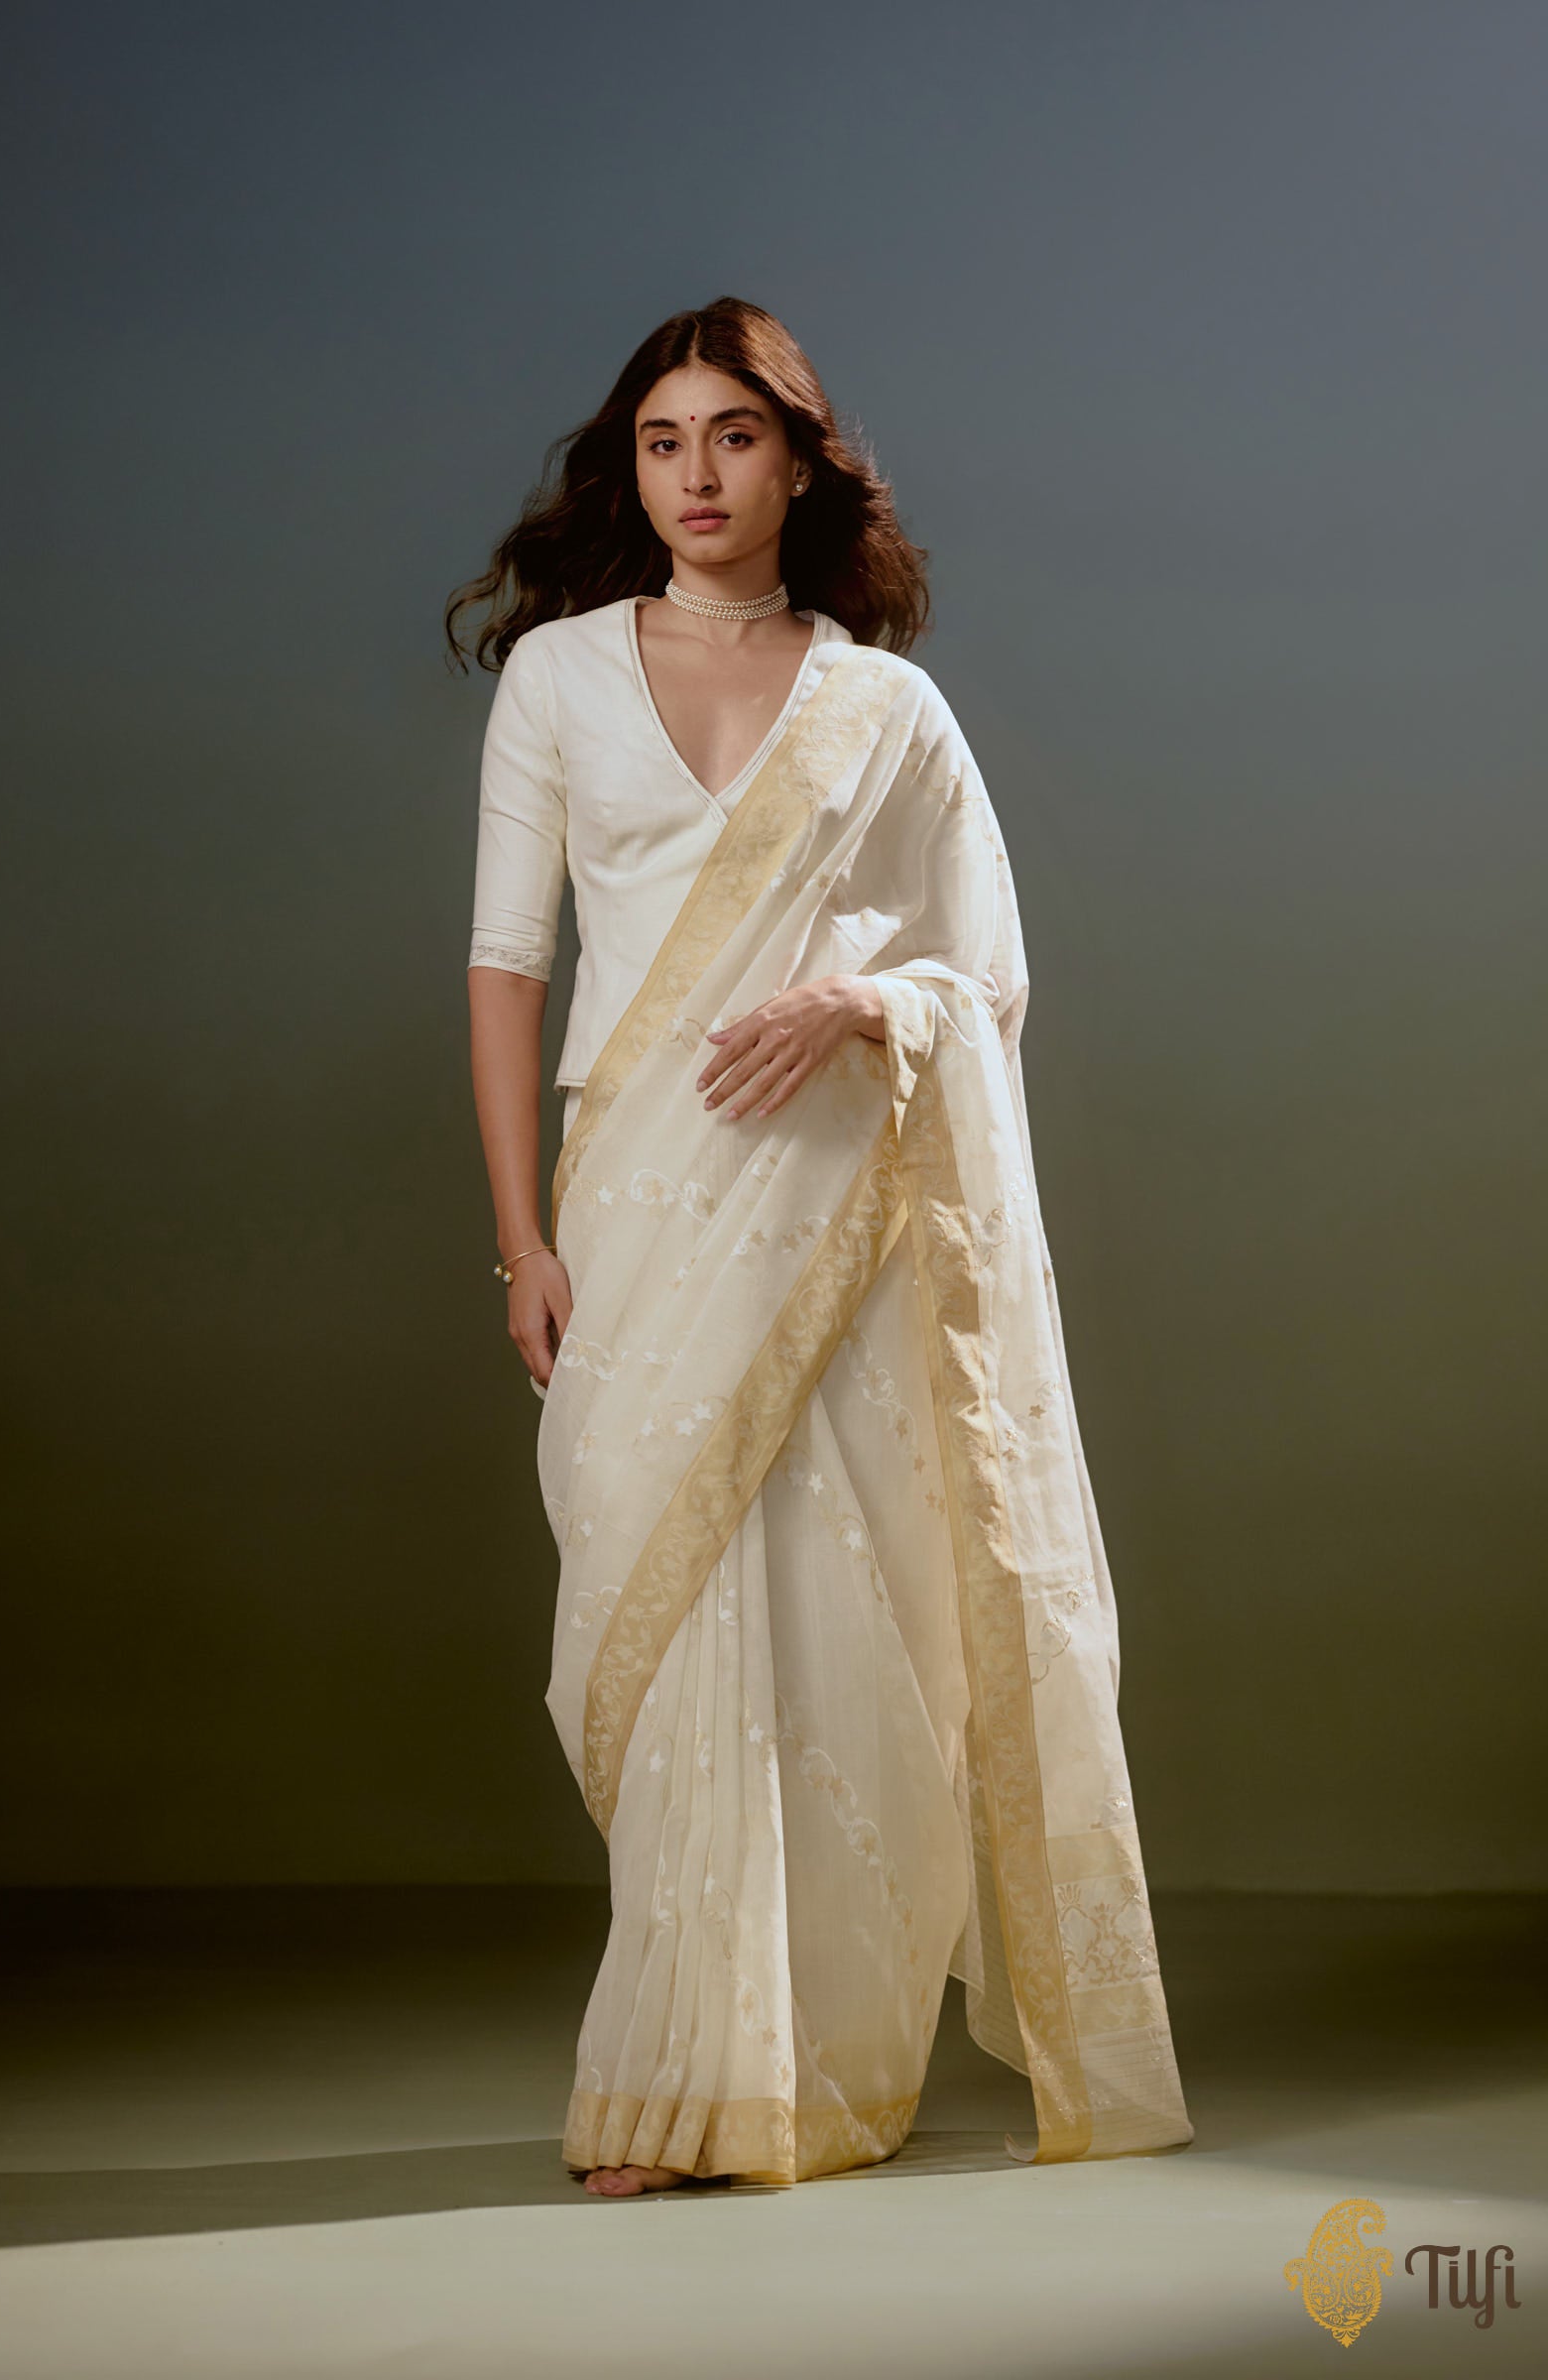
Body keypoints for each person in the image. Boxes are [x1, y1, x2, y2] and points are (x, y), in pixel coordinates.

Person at [444, 297, 1194, 2199]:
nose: (695, 476)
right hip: (638, 1206)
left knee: (839, 1622)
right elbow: (508, 966)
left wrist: (866, 1004)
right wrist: (521, 1238)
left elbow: (987, 976)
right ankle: (696, 2062)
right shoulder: (559, 680)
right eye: (662, 442)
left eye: (734, 437)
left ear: (799, 463)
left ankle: (782, 2080)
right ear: (629, 472)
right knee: (665, 1614)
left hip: (836, 1215)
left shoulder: (886, 712)